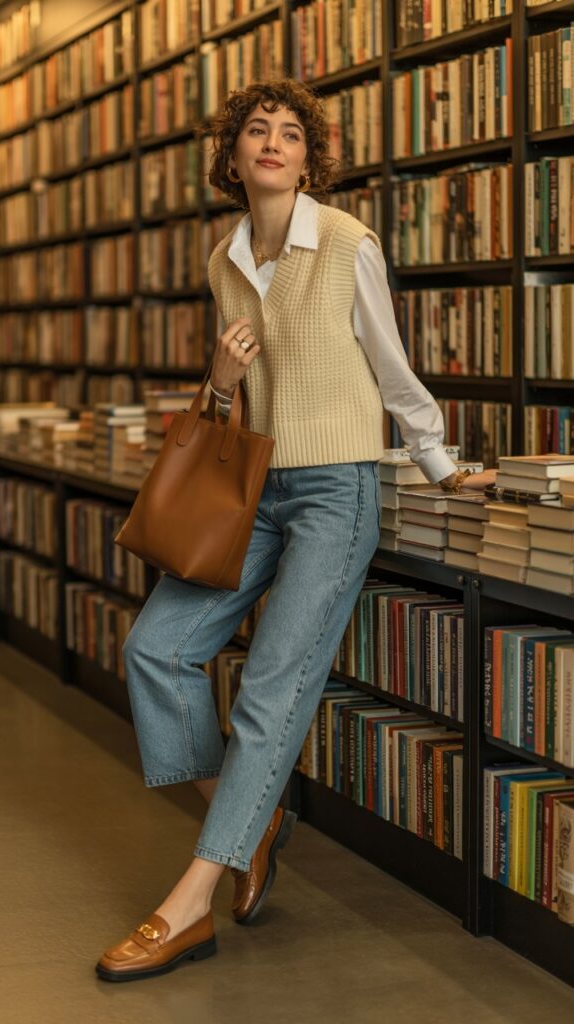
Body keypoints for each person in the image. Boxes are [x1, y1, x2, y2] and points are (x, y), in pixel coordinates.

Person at [96, 78, 495, 983]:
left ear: (309, 158)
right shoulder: (221, 260)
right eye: (254, 131)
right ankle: (250, 812)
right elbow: (226, 406)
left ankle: (189, 903)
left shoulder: (348, 242)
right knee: (156, 648)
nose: (271, 143)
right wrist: (220, 384)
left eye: (288, 133)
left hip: (334, 491)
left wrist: (436, 461)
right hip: (250, 487)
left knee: (270, 694)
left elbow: (392, 371)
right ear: (232, 158)